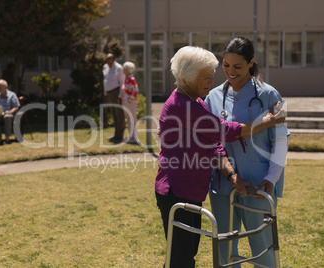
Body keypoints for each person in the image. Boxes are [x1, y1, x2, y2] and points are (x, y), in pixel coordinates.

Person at [155, 46, 285, 268]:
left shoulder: (196, 101)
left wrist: (232, 175)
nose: (211, 81)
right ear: (189, 77)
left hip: (191, 190)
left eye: (211, 76)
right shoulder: (182, 105)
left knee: (186, 254)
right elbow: (227, 131)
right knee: (180, 258)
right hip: (177, 191)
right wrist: (267, 121)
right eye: (205, 77)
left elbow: (215, 144)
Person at [204, 37, 290, 267]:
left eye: (238, 67)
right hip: (223, 185)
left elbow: (280, 140)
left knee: (262, 249)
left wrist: (271, 179)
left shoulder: (269, 95)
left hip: (259, 186)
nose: (230, 72)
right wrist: (231, 175)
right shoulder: (212, 97)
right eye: (226, 65)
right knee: (224, 248)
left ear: (251, 63)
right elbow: (210, 141)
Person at [103, 53, 125, 143]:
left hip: (116, 93)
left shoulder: (119, 68)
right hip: (108, 93)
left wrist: (119, 96)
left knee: (119, 114)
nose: (110, 64)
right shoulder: (105, 67)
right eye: (108, 62)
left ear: (114, 60)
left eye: (111, 61)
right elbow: (105, 79)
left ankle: (120, 135)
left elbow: (122, 82)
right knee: (113, 114)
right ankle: (116, 134)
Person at [0, 79, 20, 144]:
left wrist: (10, 111)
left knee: (7, 117)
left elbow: (16, 107)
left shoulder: (12, 95)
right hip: (0, 114)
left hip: (10, 114)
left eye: (0, 87)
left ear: (5, 87)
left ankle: (7, 138)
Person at [121, 61, 139, 144]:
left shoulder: (131, 79)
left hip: (130, 103)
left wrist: (130, 100)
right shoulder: (127, 78)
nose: (123, 69)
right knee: (128, 119)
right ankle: (130, 136)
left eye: (124, 68)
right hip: (126, 102)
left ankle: (134, 137)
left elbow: (135, 91)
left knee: (132, 119)